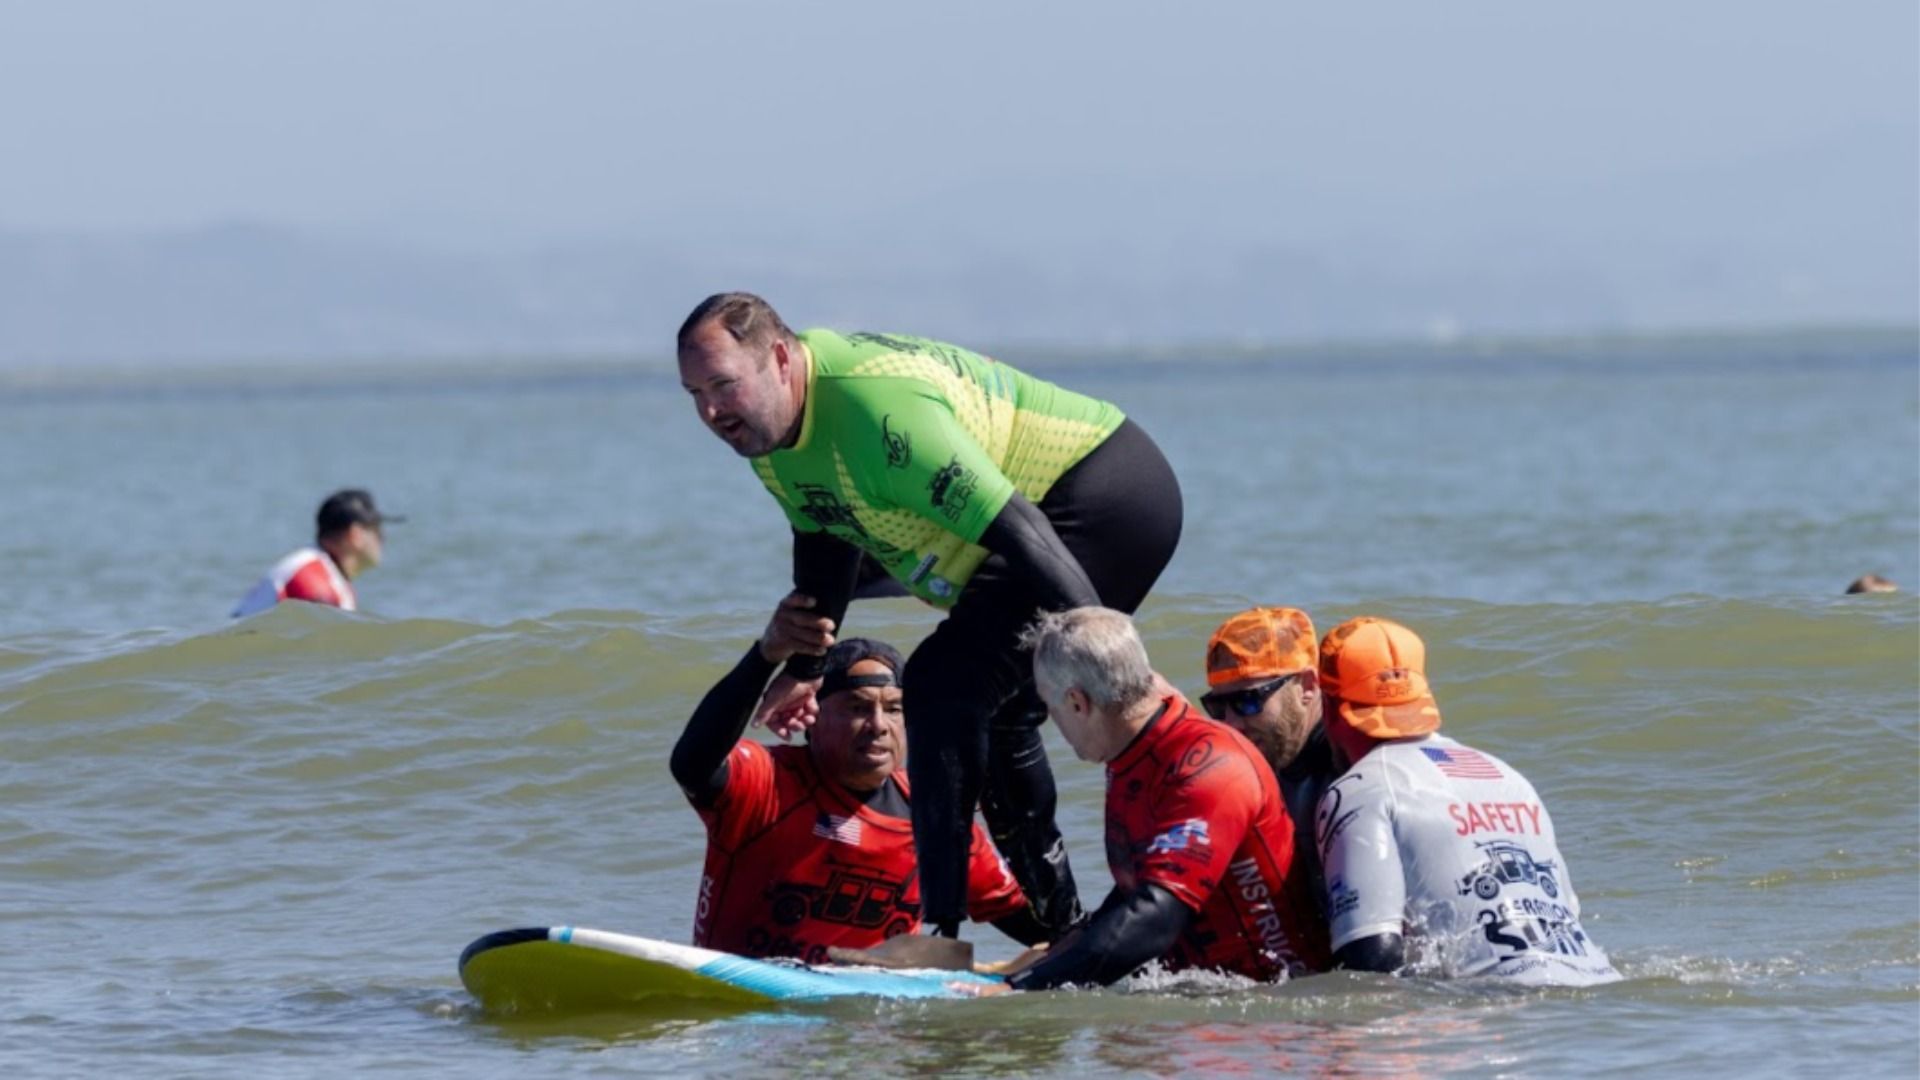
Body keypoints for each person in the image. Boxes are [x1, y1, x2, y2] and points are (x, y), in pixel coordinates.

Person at [676, 292, 1184, 942]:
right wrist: (804, 666)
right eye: (694, 394)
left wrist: (1112, 663)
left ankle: (938, 935)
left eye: (723, 385)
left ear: (779, 358)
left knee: (946, 684)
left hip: (1102, 495)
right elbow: (826, 544)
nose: (711, 411)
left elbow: (1022, 531)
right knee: (994, 717)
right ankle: (1064, 929)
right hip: (1037, 524)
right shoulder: (770, 434)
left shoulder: (877, 412)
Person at [667, 595, 1047, 964]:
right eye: (858, 707)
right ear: (810, 715)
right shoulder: (770, 781)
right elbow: (692, 765)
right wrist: (766, 656)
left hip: (872, 1020)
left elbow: (1023, 920)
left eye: (894, 709)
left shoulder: (935, 814)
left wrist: (1083, 951)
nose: (879, 725)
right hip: (750, 1008)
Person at [1004, 607, 1328, 990]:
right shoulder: (1131, 755)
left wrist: (1019, 990)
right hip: (1209, 1000)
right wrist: (1058, 954)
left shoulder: (1211, 767)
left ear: (1077, 703)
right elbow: (1142, 883)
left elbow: (1156, 916)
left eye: (1049, 707)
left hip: (1276, 1013)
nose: (1053, 723)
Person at [1314, 616, 1620, 985]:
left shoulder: (1360, 789)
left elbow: (1371, 958)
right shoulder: (1507, 776)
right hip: (1598, 991)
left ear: (1329, 708)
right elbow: (1568, 912)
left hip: (1499, 1007)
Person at [1200, 606, 1342, 910]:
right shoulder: (1254, 768)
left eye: (1248, 701)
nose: (1231, 724)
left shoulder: (1348, 771)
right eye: (1217, 707)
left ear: (1307, 686)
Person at [231, 489, 397, 618]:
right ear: (355, 535)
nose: (383, 539)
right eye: (377, 530)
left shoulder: (322, 570)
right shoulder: (315, 580)